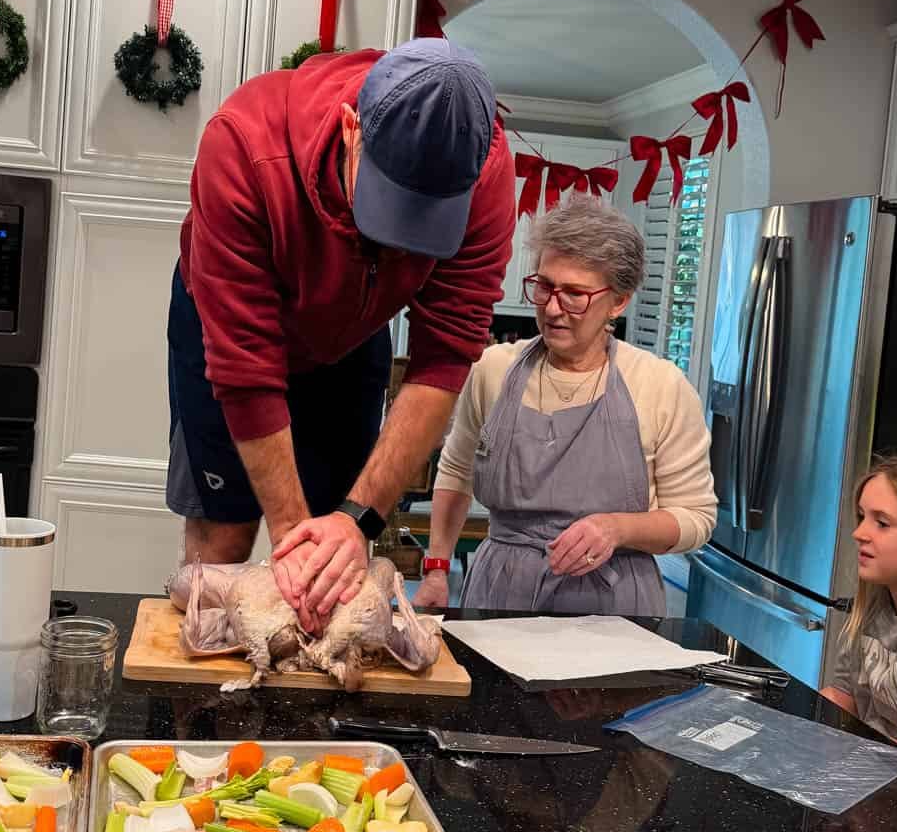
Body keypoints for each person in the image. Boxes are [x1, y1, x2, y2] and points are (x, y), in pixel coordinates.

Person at [167, 39, 515, 627]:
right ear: (353, 128)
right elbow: (247, 371)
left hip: (353, 335)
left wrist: (356, 520)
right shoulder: (245, 144)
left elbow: (446, 356)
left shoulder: (486, 173)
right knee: (227, 539)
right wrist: (291, 543)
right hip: (228, 327)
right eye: (389, 204)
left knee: (341, 558)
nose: (402, 239)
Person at [414, 195, 716, 616]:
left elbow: (695, 517)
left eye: (575, 294)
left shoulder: (660, 385)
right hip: (501, 593)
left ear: (619, 300)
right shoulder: (492, 371)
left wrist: (615, 528)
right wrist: (436, 568)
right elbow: (457, 472)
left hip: (615, 608)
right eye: (544, 286)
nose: (553, 309)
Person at [821, 451, 897, 767]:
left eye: (882, 523)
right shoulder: (876, 600)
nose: (859, 533)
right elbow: (842, 699)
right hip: (873, 778)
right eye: (862, 517)